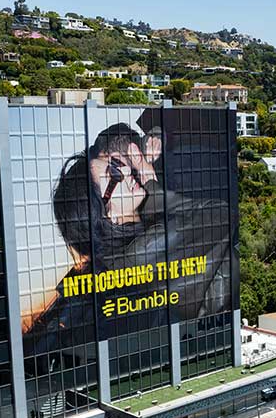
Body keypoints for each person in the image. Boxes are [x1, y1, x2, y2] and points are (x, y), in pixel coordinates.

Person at [24, 122, 231, 354]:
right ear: (105, 215)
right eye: (112, 173)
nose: (123, 170)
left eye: (116, 164)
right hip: (211, 334)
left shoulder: (128, 244)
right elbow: (222, 215)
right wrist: (151, 184)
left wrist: (147, 149)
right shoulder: (141, 253)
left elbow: (111, 140)